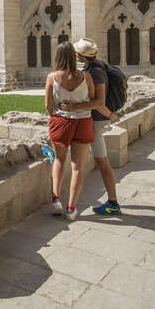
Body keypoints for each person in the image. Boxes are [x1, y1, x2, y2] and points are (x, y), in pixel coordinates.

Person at [59, 38, 120, 215]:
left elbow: (99, 102)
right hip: (92, 121)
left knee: (102, 162)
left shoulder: (96, 73)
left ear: (80, 56)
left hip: (97, 122)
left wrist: (111, 116)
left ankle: (113, 203)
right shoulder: (91, 69)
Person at [45, 41, 95, 221]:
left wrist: (59, 114)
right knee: (77, 166)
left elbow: (48, 106)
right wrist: (77, 107)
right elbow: (94, 100)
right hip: (83, 122)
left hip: (61, 122)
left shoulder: (52, 77)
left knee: (59, 159)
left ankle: (56, 200)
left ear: (57, 57)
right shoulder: (86, 77)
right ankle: (71, 208)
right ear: (75, 57)